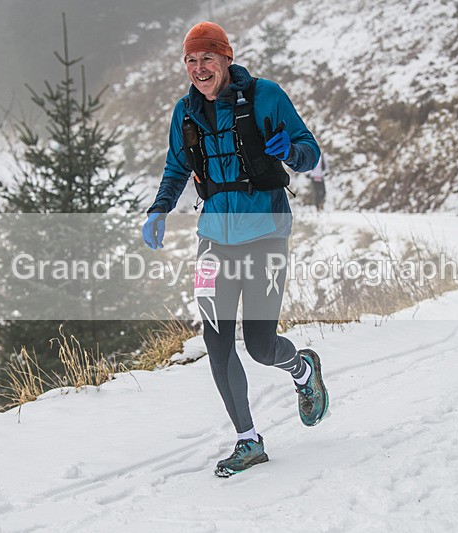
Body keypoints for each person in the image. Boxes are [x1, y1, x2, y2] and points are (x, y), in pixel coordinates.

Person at [141, 22, 329, 478]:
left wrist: (293, 152)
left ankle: (302, 369)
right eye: (191, 60)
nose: (199, 68)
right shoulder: (185, 113)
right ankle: (248, 440)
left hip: (266, 233)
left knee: (261, 346)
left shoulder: (266, 96)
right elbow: (176, 167)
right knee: (217, 341)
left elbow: (310, 150)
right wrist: (159, 209)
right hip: (213, 239)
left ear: (226, 58)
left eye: (207, 58)